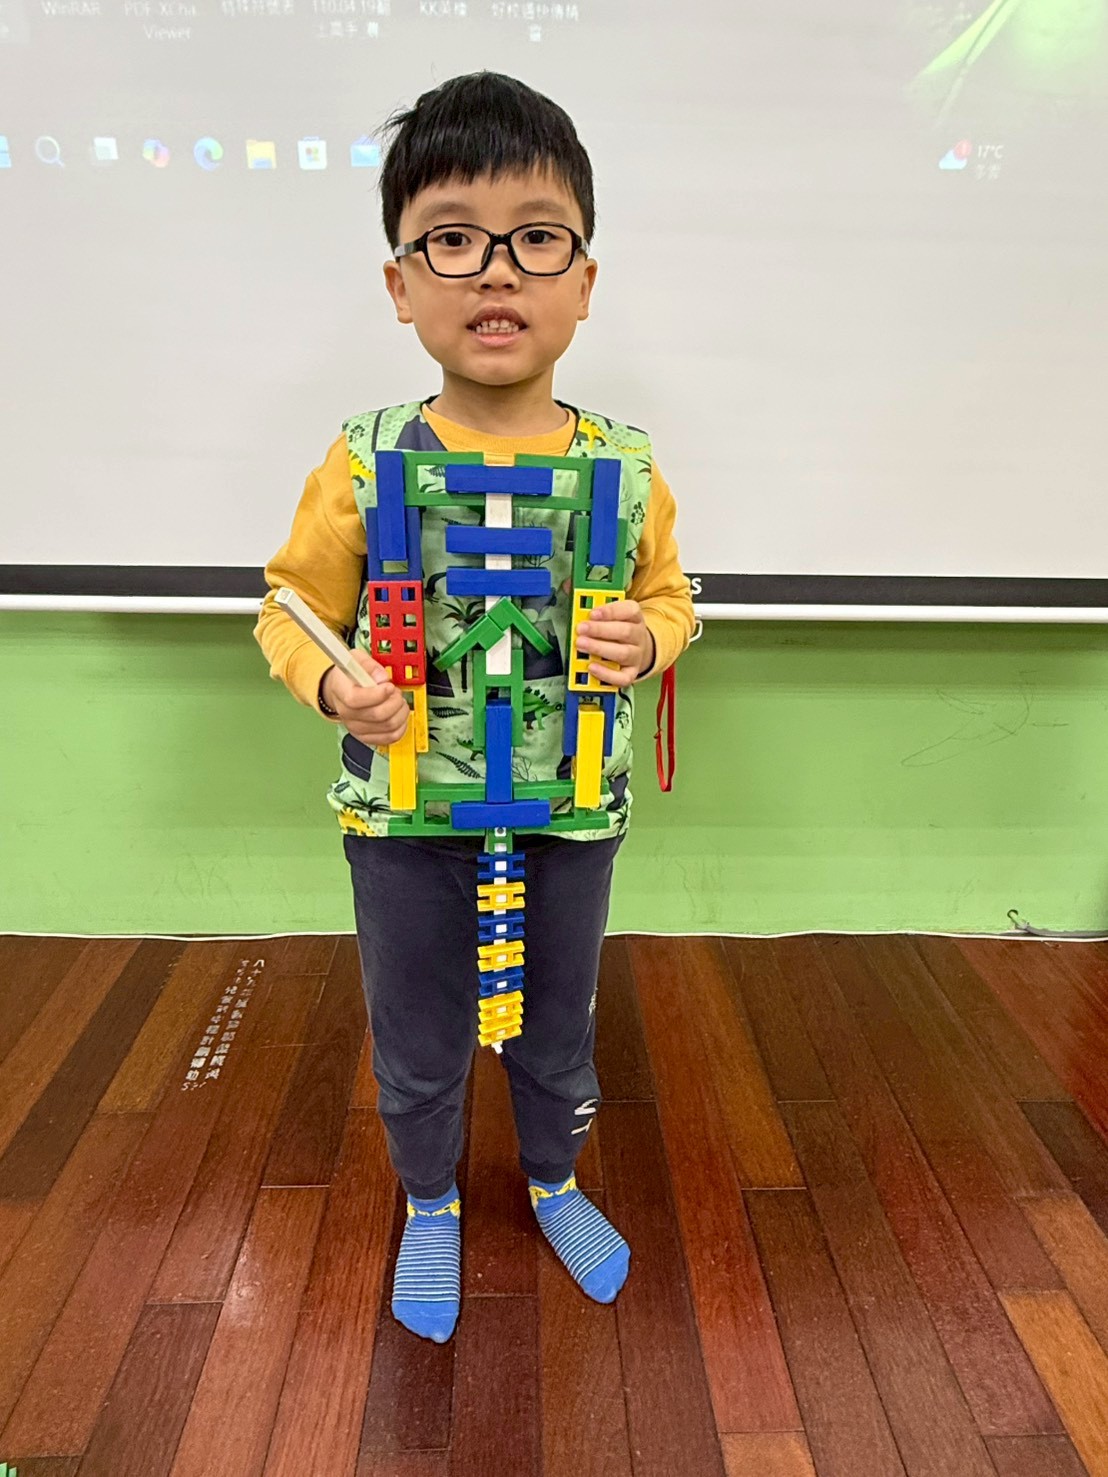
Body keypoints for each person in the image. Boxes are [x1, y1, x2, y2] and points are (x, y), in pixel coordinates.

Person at [254, 70, 695, 1344]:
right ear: (401, 284)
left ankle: (552, 1178)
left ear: (583, 281)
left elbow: (673, 599)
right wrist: (334, 680)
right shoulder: (362, 461)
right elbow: (288, 606)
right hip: (406, 820)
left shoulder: (624, 466)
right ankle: (432, 1198)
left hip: (568, 810)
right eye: (451, 239)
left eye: (535, 238)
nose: (495, 271)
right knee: (418, 1031)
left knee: (558, 1021)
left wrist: (647, 637)